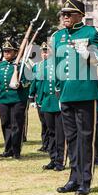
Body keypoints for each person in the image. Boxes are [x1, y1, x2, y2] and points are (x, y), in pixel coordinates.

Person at [52, 0, 98, 195]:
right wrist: (58, 90)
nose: (65, 17)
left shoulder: (91, 33)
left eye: (69, 13)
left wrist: (89, 55)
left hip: (84, 92)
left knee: (85, 137)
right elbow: (56, 64)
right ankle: (73, 178)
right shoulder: (58, 36)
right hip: (66, 93)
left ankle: (85, 179)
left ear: (80, 15)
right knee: (71, 138)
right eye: (63, 14)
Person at [0, 40, 30, 160]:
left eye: (9, 51)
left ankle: (16, 150)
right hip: (3, 99)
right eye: (5, 51)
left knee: (16, 125)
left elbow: (28, 81)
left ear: (15, 52)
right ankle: (8, 149)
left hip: (17, 99)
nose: (6, 53)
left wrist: (21, 84)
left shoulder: (23, 65)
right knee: (5, 124)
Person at [34, 42, 66, 171]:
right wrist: (39, 100)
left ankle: (60, 161)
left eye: (48, 50)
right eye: (44, 51)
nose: (45, 53)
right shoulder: (42, 65)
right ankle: (52, 158)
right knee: (50, 132)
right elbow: (40, 84)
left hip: (58, 102)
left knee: (60, 133)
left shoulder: (61, 63)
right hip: (47, 102)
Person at [29, 45, 50, 152]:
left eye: (46, 52)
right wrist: (31, 97)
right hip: (39, 98)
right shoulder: (36, 66)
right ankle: (44, 144)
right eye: (43, 52)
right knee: (43, 123)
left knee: (50, 123)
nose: (45, 54)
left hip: (49, 98)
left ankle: (50, 145)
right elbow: (33, 82)